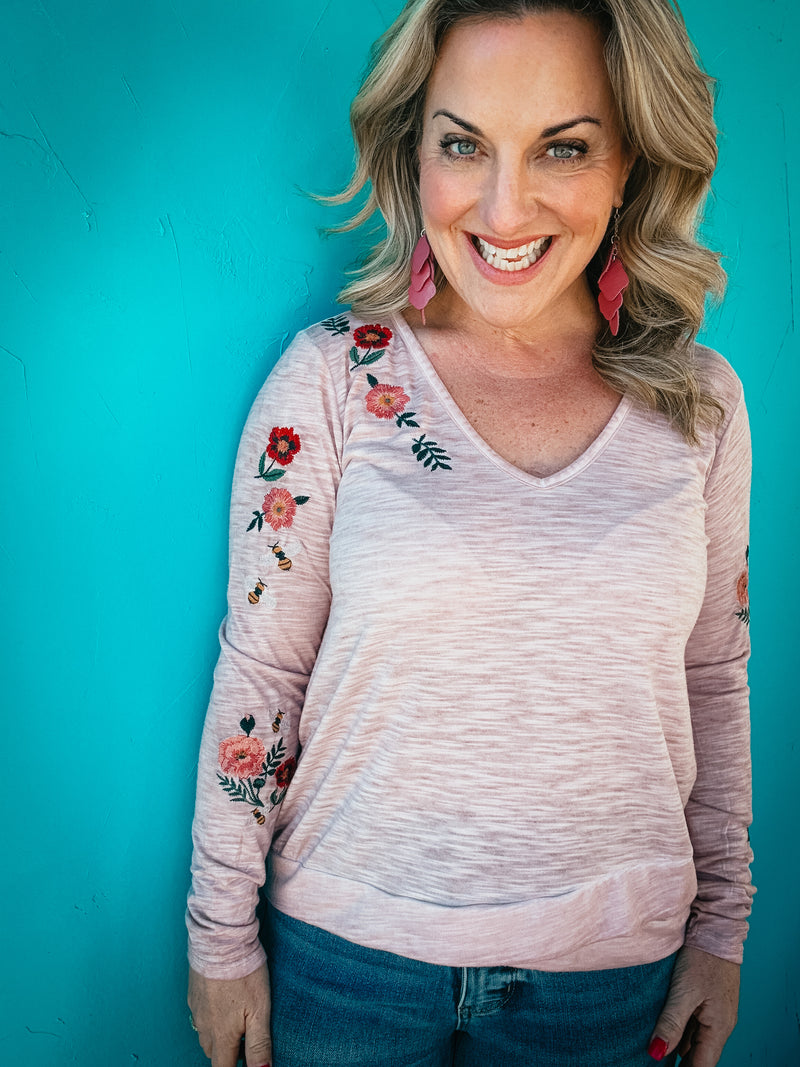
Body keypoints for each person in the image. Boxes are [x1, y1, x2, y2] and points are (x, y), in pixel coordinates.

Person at [186, 1, 753, 1065]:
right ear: (413, 153)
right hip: (346, 965)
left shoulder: (699, 404)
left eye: (562, 148)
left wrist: (723, 926)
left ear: (629, 163)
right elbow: (264, 670)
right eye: (463, 145)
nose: (502, 207)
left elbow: (713, 676)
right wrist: (219, 935)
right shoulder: (332, 380)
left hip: (610, 975)